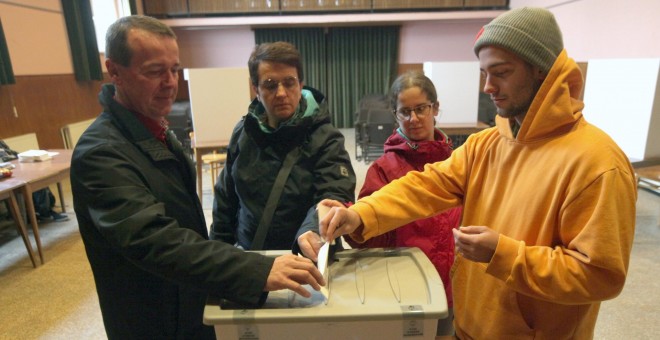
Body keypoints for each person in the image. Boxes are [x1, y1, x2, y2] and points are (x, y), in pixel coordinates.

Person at [319, 7, 636, 339]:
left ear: (544, 70)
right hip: (467, 329)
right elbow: (426, 185)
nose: (487, 86)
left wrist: (503, 254)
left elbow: (599, 275)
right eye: (484, 73)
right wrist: (360, 215)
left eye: (500, 72)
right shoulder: (486, 144)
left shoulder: (598, 162)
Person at [71, 16, 324, 340]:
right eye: (153, 71)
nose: (170, 82)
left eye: (174, 69)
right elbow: (153, 239)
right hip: (152, 318)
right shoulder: (101, 152)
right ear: (114, 71)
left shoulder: (156, 131)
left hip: (186, 299)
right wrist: (255, 269)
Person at [210, 41, 355, 259]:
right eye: (270, 85)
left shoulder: (325, 137)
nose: (281, 93)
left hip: (306, 258)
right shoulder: (243, 133)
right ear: (255, 89)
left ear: (301, 84)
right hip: (253, 259)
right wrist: (217, 254)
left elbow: (335, 193)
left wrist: (312, 230)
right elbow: (225, 200)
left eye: (289, 83)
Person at [344, 71, 461, 334]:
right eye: (404, 112)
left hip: (453, 286)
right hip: (404, 285)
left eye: (420, 109)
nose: (414, 119)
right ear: (395, 115)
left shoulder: (456, 165)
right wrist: (353, 226)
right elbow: (372, 239)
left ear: (435, 108)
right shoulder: (383, 169)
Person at [0, 140, 68, 222]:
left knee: (38, 175)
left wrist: (25, 156)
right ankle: (43, 212)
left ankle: (45, 208)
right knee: (31, 179)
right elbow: (5, 159)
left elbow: (11, 153)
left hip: (10, 169)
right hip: (5, 175)